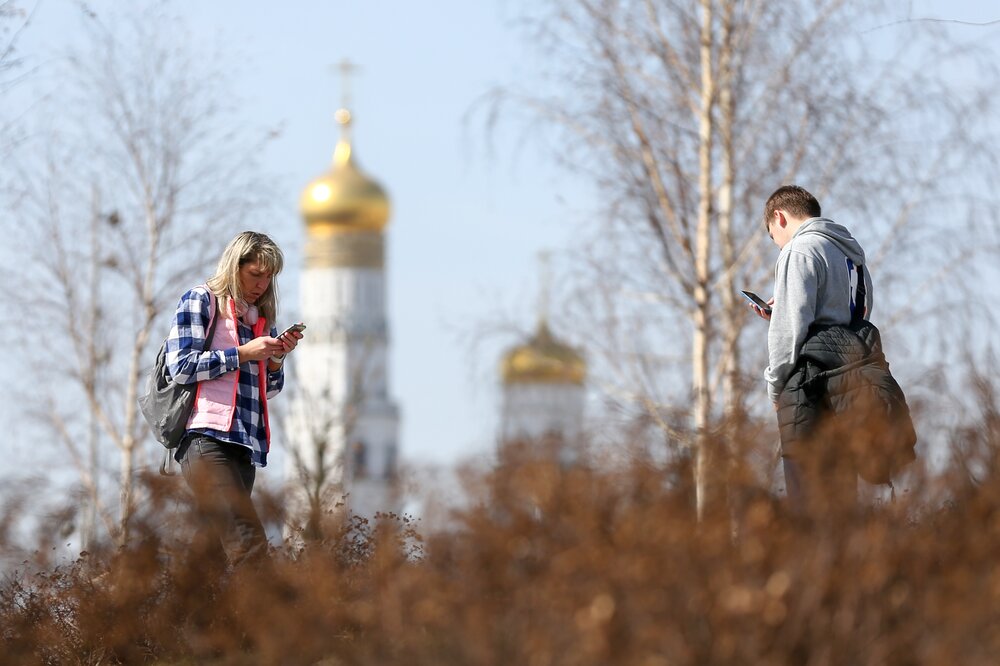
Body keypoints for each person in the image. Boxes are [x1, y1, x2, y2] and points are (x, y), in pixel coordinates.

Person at [165, 231, 303, 568]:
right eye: (255, 274)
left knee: (209, 556)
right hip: (206, 441)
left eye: (269, 277)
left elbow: (267, 390)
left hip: (244, 447)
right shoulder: (201, 301)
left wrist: (276, 359)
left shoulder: (260, 320)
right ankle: (271, 608)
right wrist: (242, 353)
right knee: (248, 545)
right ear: (233, 267)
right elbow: (180, 366)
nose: (262, 285)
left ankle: (155, 598)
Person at [750, 185, 873, 511]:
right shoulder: (853, 256)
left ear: (779, 217)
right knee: (842, 498)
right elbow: (859, 314)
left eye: (773, 236)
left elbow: (789, 332)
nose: (778, 243)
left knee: (807, 501)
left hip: (809, 385)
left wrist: (776, 387)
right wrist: (785, 309)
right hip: (851, 382)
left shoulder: (798, 250)